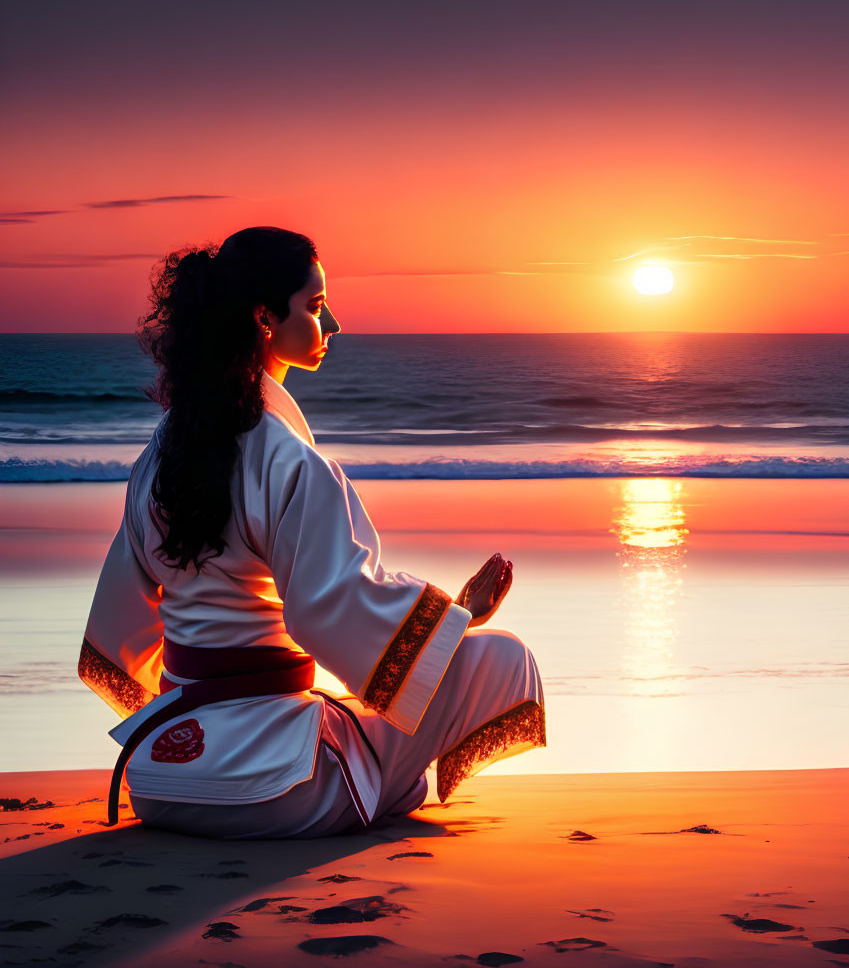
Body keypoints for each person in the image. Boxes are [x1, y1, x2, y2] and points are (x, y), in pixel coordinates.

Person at [78, 226, 546, 839]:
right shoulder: (289, 461)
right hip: (276, 790)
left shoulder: (159, 456)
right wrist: (456, 616)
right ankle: (388, 786)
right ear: (265, 317)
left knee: (360, 714)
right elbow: (329, 611)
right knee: (500, 660)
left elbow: (120, 626)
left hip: (162, 781)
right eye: (317, 306)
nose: (333, 325)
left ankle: (363, 774)